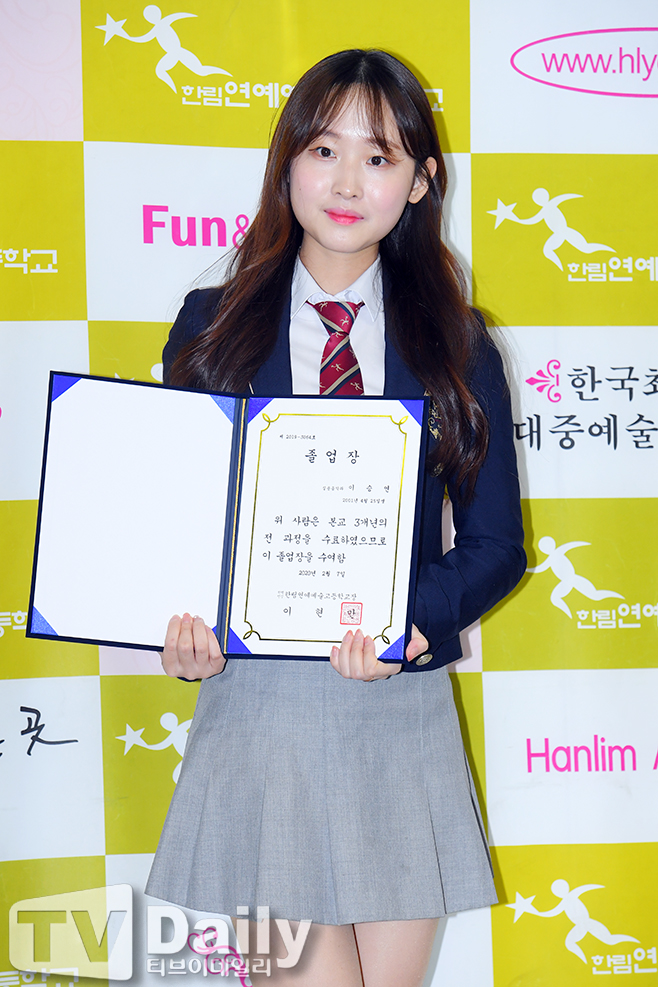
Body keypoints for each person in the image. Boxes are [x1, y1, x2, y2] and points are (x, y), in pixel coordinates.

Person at [145, 49, 526, 987]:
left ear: (419, 181)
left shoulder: (458, 340)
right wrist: (181, 628)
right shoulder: (209, 324)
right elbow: (176, 521)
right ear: (287, 163)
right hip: (260, 710)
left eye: (379, 157)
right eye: (324, 150)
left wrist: (409, 625)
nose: (348, 182)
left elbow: (494, 546)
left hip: (395, 705)